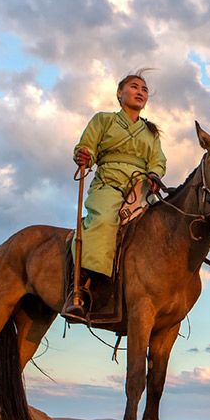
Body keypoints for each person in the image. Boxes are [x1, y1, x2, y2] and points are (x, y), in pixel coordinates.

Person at [62, 71, 166, 322]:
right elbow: (87, 146)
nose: (141, 91)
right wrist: (83, 155)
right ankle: (82, 289)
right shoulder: (103, 120)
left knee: (162, 227)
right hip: (108, 183)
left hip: (140, 189)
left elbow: (158, 161)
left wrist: (153, 175)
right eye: (134, 86)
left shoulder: (151, 133)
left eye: (144, 89)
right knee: (104, 221)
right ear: (120, 94)